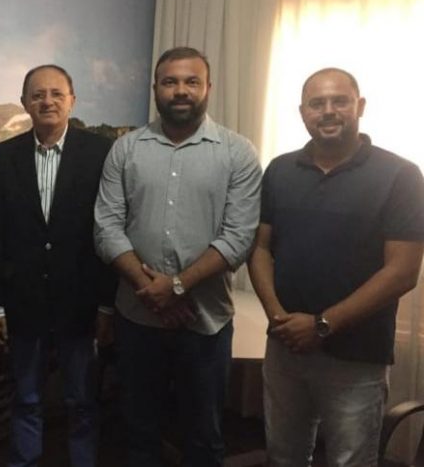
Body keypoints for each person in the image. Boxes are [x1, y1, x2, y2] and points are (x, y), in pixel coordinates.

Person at [94, 46, 262, 467]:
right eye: (170, 82)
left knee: (204, 439)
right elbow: (106, 229)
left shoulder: (237, 153)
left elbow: (239, 237)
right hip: (137, 320)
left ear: (208, 88)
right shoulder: (125, 149)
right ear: (156, 88)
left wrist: (177, 286)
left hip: (205, 324)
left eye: (191, 81)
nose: (181, 90)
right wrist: (151, 290)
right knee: (139, 434)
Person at [248, 67, 424, 467]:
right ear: (302, 112)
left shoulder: (400, 175)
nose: (328, 111)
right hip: (286, 347)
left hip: (357, 356)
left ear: (359, 106)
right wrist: (276, 316)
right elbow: (260, 248)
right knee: (283, 456)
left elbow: (403, 271)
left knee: (350, 460)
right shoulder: (280, 169)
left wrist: (323, 325)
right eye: (317, 103)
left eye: (339, 101)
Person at [0, 64, 116, 467]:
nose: (48, 101)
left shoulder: (100, 152)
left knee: (82, 400)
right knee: (26, 398)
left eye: (57, 93)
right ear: (25, 102)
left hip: (81, 302)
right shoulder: (6, 155)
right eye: (38, 94)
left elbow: (110, 230)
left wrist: (107, 305)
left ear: (72, 100)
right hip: (24, 301)